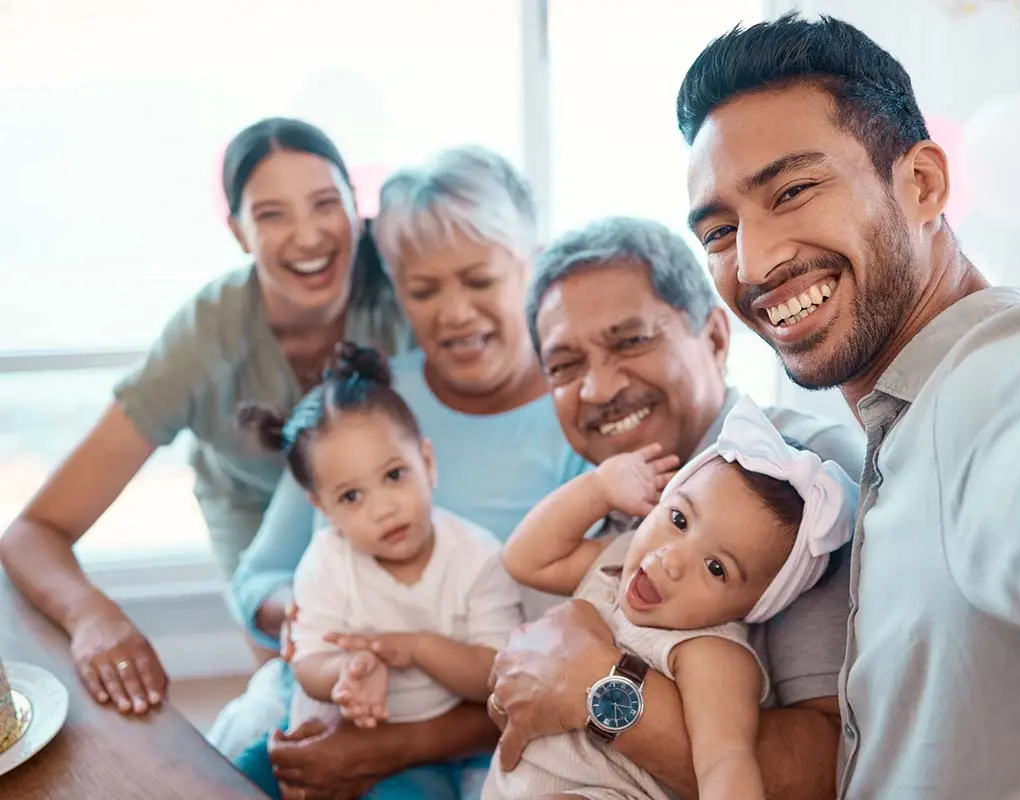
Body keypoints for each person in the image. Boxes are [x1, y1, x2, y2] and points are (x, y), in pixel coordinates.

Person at [678, 14, 1020, 799]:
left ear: (923, 183)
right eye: (721, 231)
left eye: (793, 191)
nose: (754, 262)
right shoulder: (881, 433)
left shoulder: (1014, 372)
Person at [0, 117, 407, 717]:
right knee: (292, 702)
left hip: (383, 494)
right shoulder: (201, 340)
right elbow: (33, 532)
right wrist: (92, 616)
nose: (308, 235)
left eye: (325, 204)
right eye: (272, 215)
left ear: (357, 210)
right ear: (238, 232)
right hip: (251, 507)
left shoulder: (405, 290)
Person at [214, 147, 587, 800]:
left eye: (479, 279)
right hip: (330, 698)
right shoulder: (368, 403)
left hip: (485, 728)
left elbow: (561, 662)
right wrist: (319, 628)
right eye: (424, 289)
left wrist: (390, 744)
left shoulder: (577, 420)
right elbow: (257, 581)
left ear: (534, 265)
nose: (455, 312)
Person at [485, 216, 866, 800]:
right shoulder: (604, 495)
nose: (597, 389)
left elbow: (830, 769)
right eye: (564, 366)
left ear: (716, 338)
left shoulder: (799, 487)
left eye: (630, 341)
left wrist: (595, 685)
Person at [491, 395, 857, 800]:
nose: (672, 559)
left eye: (716, 567)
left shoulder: (711, 652)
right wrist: (598, 489)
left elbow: (725, 763)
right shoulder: (617, 555)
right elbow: (524, 558)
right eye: (680, 519)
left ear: (755, 606)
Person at [235, 342, 521, 800]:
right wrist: (346, 673)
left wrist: (416, 649)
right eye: (351, 497)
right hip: (322, 728)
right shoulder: (326, 560)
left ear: (426, 463)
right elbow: (307, 662)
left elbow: (494, 675)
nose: (384, 508)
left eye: (394, 475)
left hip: (419, 748)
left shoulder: (479, 558)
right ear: (322, 508)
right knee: (232, 776)